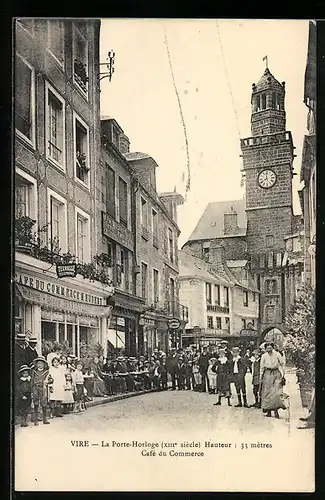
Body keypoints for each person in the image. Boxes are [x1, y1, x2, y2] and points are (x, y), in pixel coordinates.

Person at [259, 342, 286, 418]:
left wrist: (283, 374)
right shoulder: (264, 356)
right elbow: (261, 367)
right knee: (267, 392)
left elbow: (282, 363)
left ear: (273, 348)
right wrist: (261, 377)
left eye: (270, 348)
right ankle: (268, 411)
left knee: (276, 392)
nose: (269, 350)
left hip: (276, 373)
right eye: (267, 348)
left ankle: (276, 410)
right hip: (267, 374)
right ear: (265, 349)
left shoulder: (277, 354)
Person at [30, 356, 51, 425]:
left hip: (43, 388)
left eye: (41, 363)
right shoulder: (34, 371)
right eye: (38, 363)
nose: (40, 365)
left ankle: (44, 419)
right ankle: (36, 420)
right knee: (36, 403)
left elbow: (51, 379)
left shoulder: (46, 372)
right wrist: (31, 389)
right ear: (36, 364)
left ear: (44, 364)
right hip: (35, 388)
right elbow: (32, 380)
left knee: (44, 403)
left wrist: (48, 381)